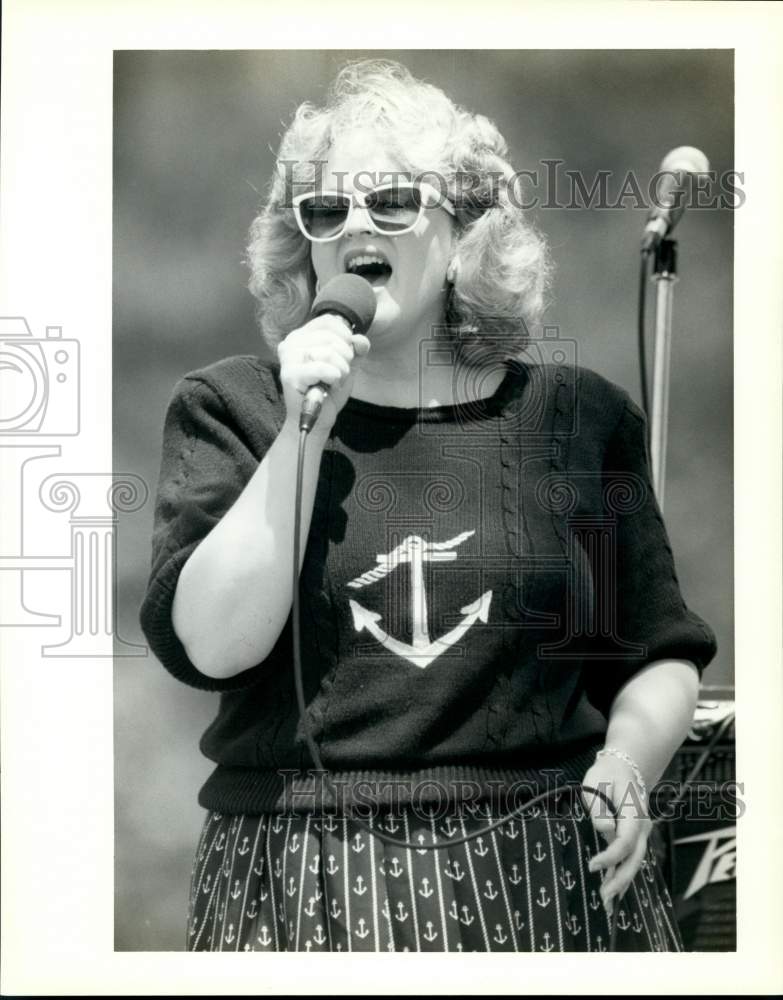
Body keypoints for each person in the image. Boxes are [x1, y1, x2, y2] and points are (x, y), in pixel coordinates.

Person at [139, 59, 718, 953]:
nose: (356, 226)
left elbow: (653, 652)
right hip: (302, 877)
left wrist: (626, 766)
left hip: (544, 870)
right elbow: (215, 646)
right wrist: (304, 430)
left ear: (467, 234)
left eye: (395, 202)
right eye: (325, 210)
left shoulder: (573, 417)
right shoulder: (235, 407)